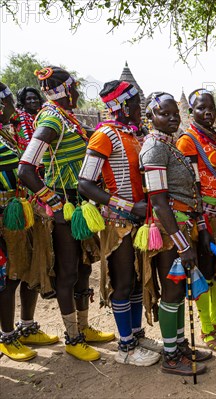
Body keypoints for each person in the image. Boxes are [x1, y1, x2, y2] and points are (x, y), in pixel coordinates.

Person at [18, 67, 114, 362]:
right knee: (68, 272)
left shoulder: (64, 117)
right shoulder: (50, 119)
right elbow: (25, 169)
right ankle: (72, 338)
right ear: (67, 90)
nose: (77, 94)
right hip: (66, 208)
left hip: (82, 206)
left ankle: (84, 329)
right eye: (75, 89)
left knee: (84, 267)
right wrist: (55, 203)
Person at [78, 80, 161, 366]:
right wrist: (127, 206)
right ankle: (125, 347)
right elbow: (85, 184)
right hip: (119, 223)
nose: (141, 109)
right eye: (137, 103)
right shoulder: (104, 136)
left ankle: (137, 334)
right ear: (124, 106)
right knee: (123, 281)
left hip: (140, 220)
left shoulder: (134, 134)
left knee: (137, 278)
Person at [139, 92, 213, 375]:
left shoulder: (168, 146)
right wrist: (182, 244)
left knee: (179, 289)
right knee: (171, 291)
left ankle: (180, 345)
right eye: (164, 114)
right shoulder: (154, 148)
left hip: (181, 226)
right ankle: (171, 356)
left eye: (175, 114)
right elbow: (158, 202)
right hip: (169, 230)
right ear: (151, 117)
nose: (172, 118)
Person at [0, 82, 58, 361]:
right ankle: (7, 336)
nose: (15, 108)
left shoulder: (8, 135)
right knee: (11, 274)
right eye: (11, 102)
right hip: (6, 217)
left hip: (23, 209)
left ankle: (27, 326)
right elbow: (23, 168)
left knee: (30, 268)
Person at [176, 88, 216, 353]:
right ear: (191, 112)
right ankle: (207, 328)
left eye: (211, 108)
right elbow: (191, 184)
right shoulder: (188, 141)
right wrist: (199, 223)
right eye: (201, 108)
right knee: (204, 270)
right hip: (203, 215)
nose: (208, 112)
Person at [9, 87, 43, 152]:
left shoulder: (44, 114)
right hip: (26, 156)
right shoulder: (17, 115)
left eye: (35, 98)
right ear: (22, 101)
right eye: (28, 99)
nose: (33, 101)